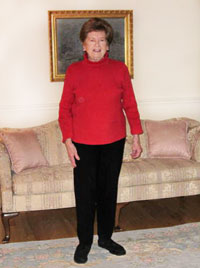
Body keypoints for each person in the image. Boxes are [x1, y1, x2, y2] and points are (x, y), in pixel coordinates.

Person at [58, 17, 143, 264]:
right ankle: (84, 242)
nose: (97, 45)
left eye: (102, 40)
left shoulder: (119, 70)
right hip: (83, 144)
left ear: (108, 45)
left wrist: (136, 138)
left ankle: (105, 238)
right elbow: (64, 110)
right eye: (92, 40)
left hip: (113, 141)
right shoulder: (74, 71)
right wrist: (67, 141)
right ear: (83, 45)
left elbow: (130, 105)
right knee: (85, 195)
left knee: (108, 192)